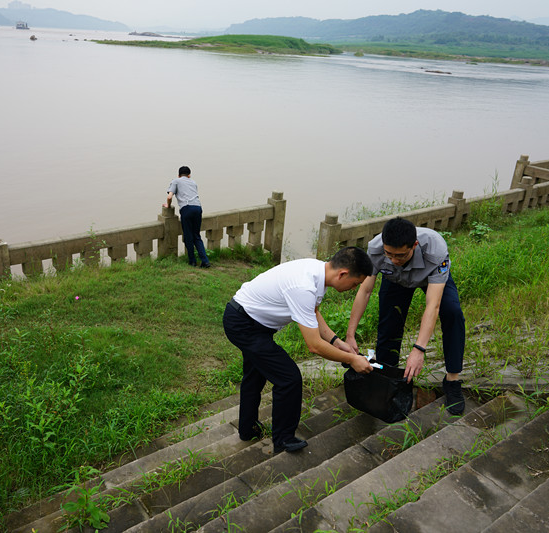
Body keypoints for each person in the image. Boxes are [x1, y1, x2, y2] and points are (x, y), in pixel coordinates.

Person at [223, 246, 375, 454]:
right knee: (289, 378)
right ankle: (283, 439)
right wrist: (351, 359)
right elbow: (313, 345)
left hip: (250, 320)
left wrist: (336, 341)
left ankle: (247, 429)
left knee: (255, 374)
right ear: (343, 274)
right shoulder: (304, 286)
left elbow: (312, 312)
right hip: (244, 325)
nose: (353, 288)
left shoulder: (317, 271)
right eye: (355, 284)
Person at [345, 217, 466, 415]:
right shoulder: (375, 249)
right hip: (395, 280)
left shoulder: (436, 251)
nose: (393, 259)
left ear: (414, 245)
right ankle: (387, 378)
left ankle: (452, 380)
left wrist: (419, 349)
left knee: (453, 313)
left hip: (430, 279)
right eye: (389, 254)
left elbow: (432, 305)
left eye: (400, 255)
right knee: (389, 322)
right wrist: (350, 334)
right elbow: (365, 291)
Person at [164, 166, 210, 268]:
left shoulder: (176, 181)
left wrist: (168, 205)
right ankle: (205, 261)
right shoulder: (193, 182)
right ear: (189, 175)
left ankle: (192, 261)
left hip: (187, 209)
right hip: (197, 208)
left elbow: (169, 196)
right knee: (196, 236)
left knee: (188, 236)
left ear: (178, 175)